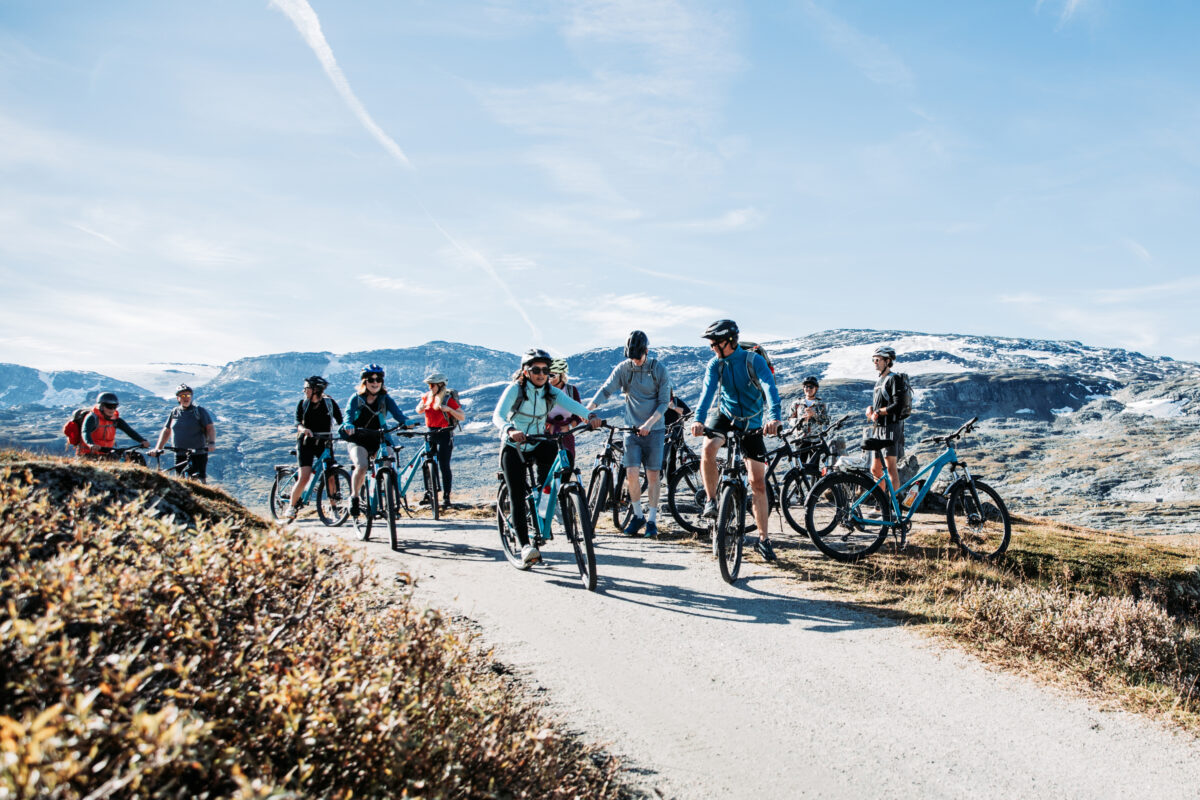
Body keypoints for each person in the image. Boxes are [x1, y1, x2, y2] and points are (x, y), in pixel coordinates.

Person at [493, 348, 600, 567]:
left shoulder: (550, 391)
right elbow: (498, 415)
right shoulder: (516, 389)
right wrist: (509, 429)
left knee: (552, 476)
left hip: (538, 441)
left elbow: (572, 405)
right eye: (536, 370)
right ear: (525, 372)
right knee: (517, 495)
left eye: (545, 370)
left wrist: (589, 416)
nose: (542, 374)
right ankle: (525, 546)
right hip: (514, 445)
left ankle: (545, 509)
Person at [690, 319, 783, 562]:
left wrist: (773, 418)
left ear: (729, 342)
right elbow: (707, 393)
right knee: (709, 448)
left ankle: (763, 539)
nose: (711, 347)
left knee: (758, 483)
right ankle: (711, 501)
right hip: (726, 415)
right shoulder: (715, 365)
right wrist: (699, 420)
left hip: (752, 422)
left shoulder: (754, 361)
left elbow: (770, 389)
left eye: (714, 343)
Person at [587, 330, 672, 538]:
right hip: (631, 431)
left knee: (653, 476)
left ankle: (651, 520)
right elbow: (607, 389)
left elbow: (663, 403)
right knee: (632, 474)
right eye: (631, 358)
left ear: (647, 351)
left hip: (655, 430)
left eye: (638, 357)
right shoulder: (624, 369)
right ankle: (637, 515)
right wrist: (589, 408)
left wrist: (649, 424)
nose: (634, 361)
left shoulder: (658, 370)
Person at [340, 364, 410, 516]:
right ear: (364, 381)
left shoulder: (386, 399)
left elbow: (399, 414)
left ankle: (391, 505)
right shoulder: (356, 398)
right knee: (362, 465)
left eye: (378, 379)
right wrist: (348, 424)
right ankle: (354, 497)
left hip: (379, 439)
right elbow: (348, 415)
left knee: (390, 463)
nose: (375, 382)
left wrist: (406, 421)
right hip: (358, 439)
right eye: (371, 379)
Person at [284, 375, 344, 519]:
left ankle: (333, 507)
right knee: (304, 476)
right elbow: (298, 422)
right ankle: (291, 507)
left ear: (315, 389)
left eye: (306, 388)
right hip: (306, 442)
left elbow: (341, 421)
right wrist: (303, 429)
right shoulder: (303, 404)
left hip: (325, 442)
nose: (304, 391)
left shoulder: (329, 403)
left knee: (331, 475)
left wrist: (345, 431)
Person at [415, 371, 464, 508]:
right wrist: (420, 408)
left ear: (440, 385)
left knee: (444, 465)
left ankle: (446, 496)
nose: (430, 387)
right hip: (431, 432)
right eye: (429, 385)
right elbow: (418, 409)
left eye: (432, 385)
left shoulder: (447, 399)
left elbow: (462, 416)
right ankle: (430, 492)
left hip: (445, 433)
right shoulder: (426, 397)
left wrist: (449, 409)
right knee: (428, 463)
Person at [150, 384, 215, 482]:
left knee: (199, 481)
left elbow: (210, 428)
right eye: (183, 396)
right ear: (178, 398)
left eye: (188, 395)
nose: (186, 398)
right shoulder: (174, 412)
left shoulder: (199, 411)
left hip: (198, 453)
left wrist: (211, 443)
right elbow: (166, 430)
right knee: (180, 481)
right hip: (179, 453)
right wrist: (158, 448)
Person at [866, 346, 904, 494]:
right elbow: (879, 404)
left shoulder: (894, 379)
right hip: (879, 428)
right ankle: (881, 503)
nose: (875, 362)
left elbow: (897, 405)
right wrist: (870, 409)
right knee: (875, 468)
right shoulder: (879, 381)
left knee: (890, 468)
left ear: (887, 361)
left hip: (890, 428)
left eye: (878, 360)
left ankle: (894, 507)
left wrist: (878, 412)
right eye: (873, 360)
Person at [78, 392, 150, 456]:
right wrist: (91, 444)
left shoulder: (115, 420)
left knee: (136, 457)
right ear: (101, 406)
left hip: (107, 453)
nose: (112, 409)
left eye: (114, 406)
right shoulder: (92, 418)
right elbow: (85, 432)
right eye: (109, 406)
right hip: (88, 454)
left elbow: (129, 431)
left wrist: (142, 440)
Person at [546, 358, 584, 469]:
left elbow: (579, 413)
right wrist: (549, 425)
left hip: (566, 435)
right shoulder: (543, 392)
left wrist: (570, 426)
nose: (548, 378)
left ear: (561, 375)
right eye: (547, 375)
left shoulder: (571, 391)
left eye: (552, 375)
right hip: (547, 435)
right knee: (548, 469)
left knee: (567, 467)